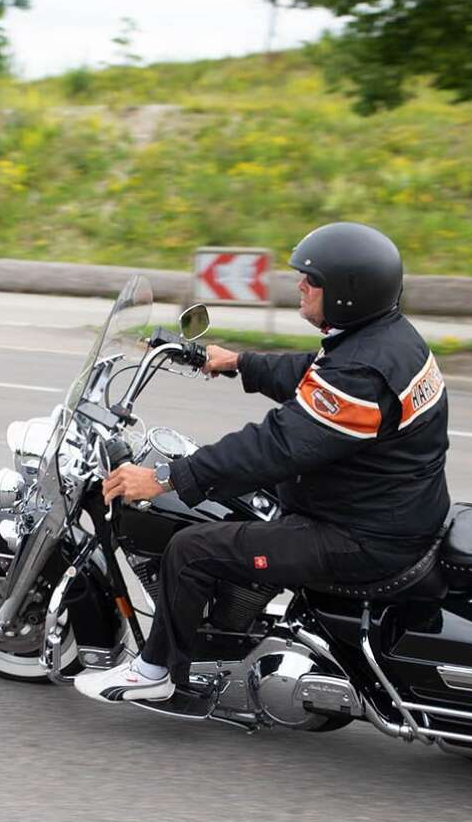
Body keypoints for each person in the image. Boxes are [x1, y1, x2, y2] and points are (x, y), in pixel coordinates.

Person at [75, 221, 451, 703]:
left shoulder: (361, 370)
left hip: (362, 535)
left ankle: (155, 671)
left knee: (190, 550)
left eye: (311, 280)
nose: (299, 285)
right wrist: (239, 363)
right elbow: (315, 374)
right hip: (383, 506)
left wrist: (166, 477)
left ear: (346, 294)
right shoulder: (385, 340)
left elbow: (276, 446)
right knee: (231, 499)